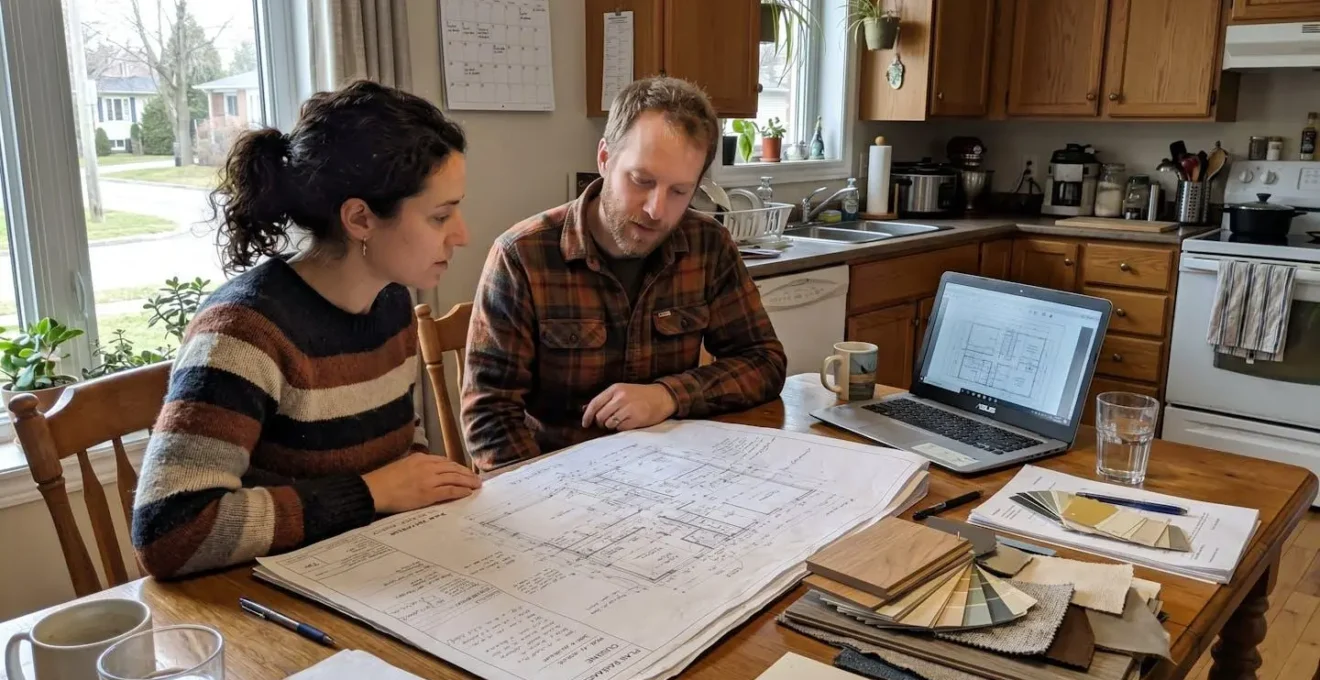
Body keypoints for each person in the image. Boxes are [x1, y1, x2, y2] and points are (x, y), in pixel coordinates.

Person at [132, 81, 481, 579]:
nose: (462, 234)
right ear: (360, 218)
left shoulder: (391, 302)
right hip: (266, 604)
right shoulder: (243, 332)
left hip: (369, 573)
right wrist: (372, 493)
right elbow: (170, 534)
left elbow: (399, 449)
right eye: (440, 215)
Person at [462, 76, 787, 472]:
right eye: (642, 180)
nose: (656, 209)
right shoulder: (521, 257)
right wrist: (542, 502)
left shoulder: (708, 244)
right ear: (604, 159)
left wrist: (668, 396)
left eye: (679, 191)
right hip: (557, 481)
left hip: (676, 474)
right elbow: (489, 416)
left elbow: (764, 362)